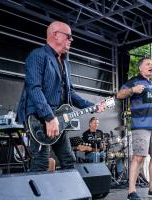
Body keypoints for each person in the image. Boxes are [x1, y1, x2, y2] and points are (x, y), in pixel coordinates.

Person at [16, 21, 104, 172]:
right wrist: (49, 118)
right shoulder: (38, 55)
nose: (72, 39)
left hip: (59, 119)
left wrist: (92, 106)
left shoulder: (65, 63)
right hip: (40, 119)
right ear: (55, 35)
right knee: (41, 162)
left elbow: (71, 93)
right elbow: (34, 88)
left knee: (69, 160)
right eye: (68, 36)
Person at [116, 57, 152, 200]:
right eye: (148, 64)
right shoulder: (134, 81)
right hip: (141, 125)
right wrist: (132, 90)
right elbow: (119, 94)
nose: (151, 66)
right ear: (140, 68)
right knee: (139, 157)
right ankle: (131, 191)